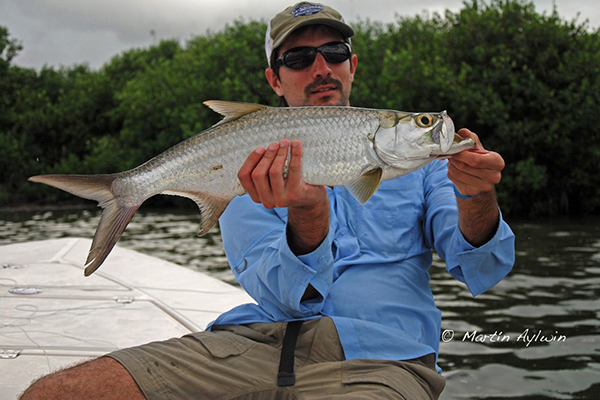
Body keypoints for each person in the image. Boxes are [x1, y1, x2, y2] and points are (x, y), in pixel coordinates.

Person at [21, 2, 515, 399]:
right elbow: (280, 297)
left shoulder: (426, 168)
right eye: (298, 59)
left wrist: (476, 194)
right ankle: (123, 194)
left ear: (352, 65)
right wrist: (309, 215)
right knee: (54, 392)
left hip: (383, 357)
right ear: (275, 80)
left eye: (335, 52)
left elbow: (483, 269)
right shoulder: (249, 164)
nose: (321, 67)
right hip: (258, 341)